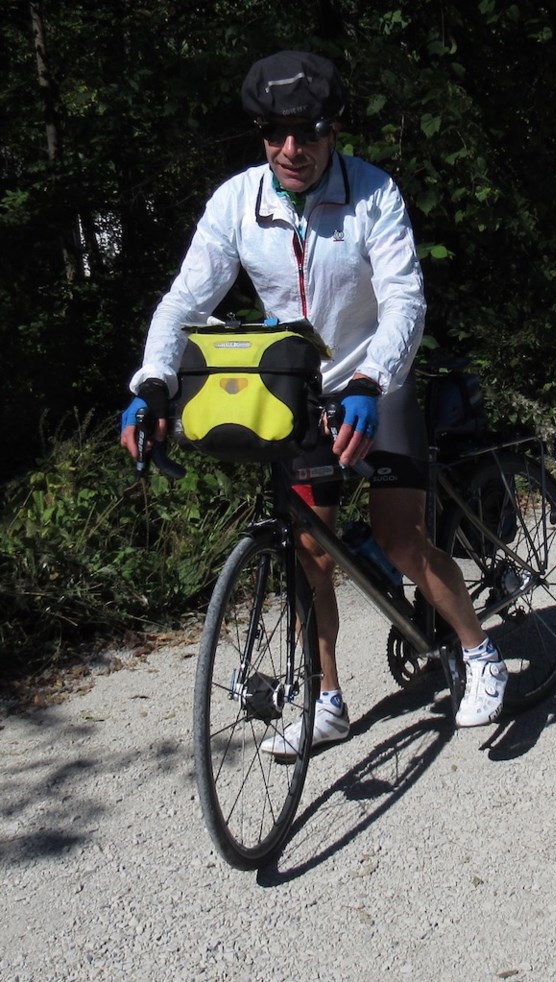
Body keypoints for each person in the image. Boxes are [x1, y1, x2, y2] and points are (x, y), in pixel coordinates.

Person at [120, 50, 507, 743]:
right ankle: (326, 701)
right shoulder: (238, 202)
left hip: (374, 381)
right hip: (296, 392)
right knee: (308, 553)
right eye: (275, 134)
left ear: (332, 131)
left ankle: (479, 653)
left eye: (306, 131)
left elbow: (404, 301)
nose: (290, 149)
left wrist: (370, 379)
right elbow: (185, 301)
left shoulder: (372, 193)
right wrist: (151, 382)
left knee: (399, 536)